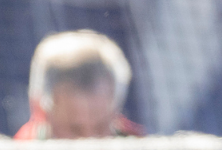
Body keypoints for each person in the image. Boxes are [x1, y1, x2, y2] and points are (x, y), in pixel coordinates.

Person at [14, 30, 145, 140]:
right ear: (40, 111)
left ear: (116, 111)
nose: (90, 142)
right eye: (74, 129)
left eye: (101, 127)